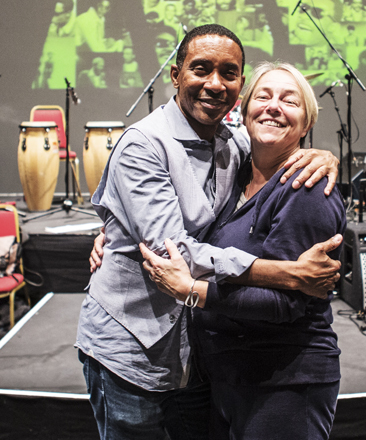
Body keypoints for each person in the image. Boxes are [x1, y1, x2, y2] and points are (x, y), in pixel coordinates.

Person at [77, 24, 342, 440]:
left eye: (229, 73)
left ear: (238, 87)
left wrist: (323, 155)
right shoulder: (143, 145)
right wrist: (283, 272)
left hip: (202, 359)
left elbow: (273, 140)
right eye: (201, 69)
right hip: (130, 351)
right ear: (176, 74)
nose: (214, 84)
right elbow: (174, 251)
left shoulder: (234, 145)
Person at [141, 61, 346, 439]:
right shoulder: (233, 175)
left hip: (283, 380)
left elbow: (285, 302)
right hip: (229, 376)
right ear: (244, 110)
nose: (273, 107)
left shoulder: (307, 189)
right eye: (263, 96)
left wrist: (191, 291)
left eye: (290, 101)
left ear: (307, 122)